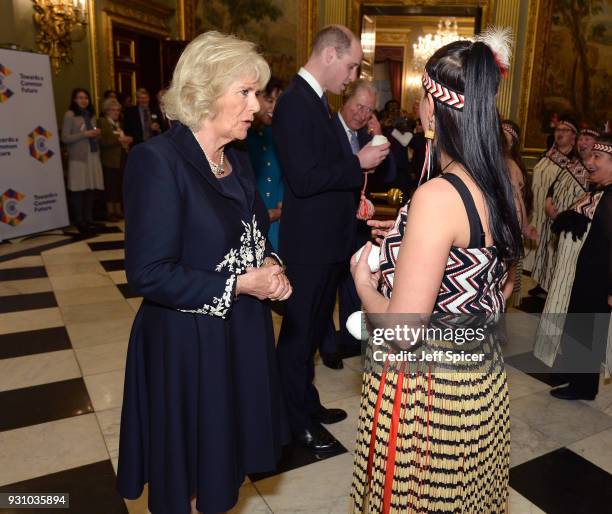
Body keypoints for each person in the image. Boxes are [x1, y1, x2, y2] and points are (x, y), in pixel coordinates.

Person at [117, 31, 291, 514]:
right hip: (187, 343)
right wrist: (239, 284)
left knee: (224, 462)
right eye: (245, 92)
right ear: (205, 91)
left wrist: (272, 266)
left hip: (237, 334)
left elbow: (251, 234)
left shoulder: (234, 159)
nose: (256, 105)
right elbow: (148, 273)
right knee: (193, 468)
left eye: (256, 93)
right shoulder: (157, 161)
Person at [349, 29, 521, 512]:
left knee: (419, 499)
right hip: (480, 377)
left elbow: (404, 331)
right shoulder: (501, 181)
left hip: (431, 392)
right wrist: (411, 250)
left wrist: (364, 281)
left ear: (433, 105)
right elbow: (499, 284)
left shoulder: (437, 196)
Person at [272, 24, 390, 453]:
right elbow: (304, 180)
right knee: (297, 337)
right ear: (328, 55)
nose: (353, 74)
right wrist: (357, 162)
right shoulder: (294, 104)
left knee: (312, 332)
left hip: (327, 244)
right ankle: (293, 421)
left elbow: (325, 168)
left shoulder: (316, 102)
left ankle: (306, 402)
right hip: (308, 248)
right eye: (351, 64)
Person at [321, 78, 396, 368]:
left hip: (359, 223)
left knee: (358, 280)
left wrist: (381, 137)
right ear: (345, 101)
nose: (362, 114)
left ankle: (353, 339)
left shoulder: (368, 134)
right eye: (358, 106)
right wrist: (356, 161)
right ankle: (328, 346)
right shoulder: (326, 130)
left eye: (368, 110)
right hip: (329, 223)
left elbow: (388, 175)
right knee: (326, 287)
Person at [535, 134, 612, 400]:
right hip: (587, 274)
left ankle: (582, 387)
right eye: (591, 156)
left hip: (598, 279)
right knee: (579, 324)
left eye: (597, 157)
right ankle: (575, 378)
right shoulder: (600, 192)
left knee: (588, 328)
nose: (590, 162)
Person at [529, 118, 577, 297]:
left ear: (574, 136)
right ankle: (541, 282)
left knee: (551, 246)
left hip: (557, 208)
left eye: (565, 130)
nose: (559, 132)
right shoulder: (548, 153)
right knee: (542, 246)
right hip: (540, 206)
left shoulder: (573, 159)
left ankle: (550, 285)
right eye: (558, 129)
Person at [246, 76, 285, 250]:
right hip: (248, 223)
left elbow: (286, 174)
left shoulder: (279, 134)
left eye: (278, 101)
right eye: (269, 100)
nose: (274, 107)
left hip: (276, 224)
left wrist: (282, 206)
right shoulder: (241, 136)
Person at [502, 119, 537, 307]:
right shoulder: (499, 163)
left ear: (512, 143)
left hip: (507, 233)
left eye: (504, 139)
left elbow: (517, 202)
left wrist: (522, 228)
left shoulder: (510, 165)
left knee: (502, 288)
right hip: (508, 232)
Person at [61, 88, 104, 232]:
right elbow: (65, 138)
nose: (83, 100)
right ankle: (79, 220)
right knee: (79, 189)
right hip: (78, 158)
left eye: (86, 97)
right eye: (80, 98)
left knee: (90, 188)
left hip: (92, 155)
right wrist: (84, 134)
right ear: (74, 100)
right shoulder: (70, 115)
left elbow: (95, 137)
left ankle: (89, 218)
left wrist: (97, 134)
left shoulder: (91, 115)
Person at [98, 98, 132, 221]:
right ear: (107, 111)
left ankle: (118, 210)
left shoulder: (118, 124)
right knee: (110, 185)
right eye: (114, 110)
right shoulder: (102, 122)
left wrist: (127, 140)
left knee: (118, 185)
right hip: (109, 159)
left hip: (121, 157)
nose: (117, 112)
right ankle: (110, 211)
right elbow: (102, 141)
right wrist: (119, 140)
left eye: (118, 110)